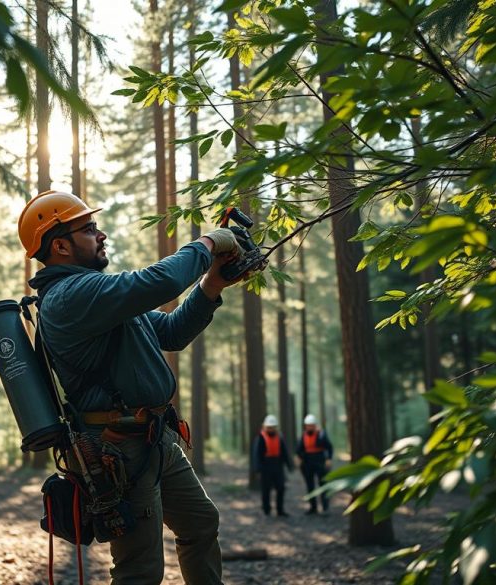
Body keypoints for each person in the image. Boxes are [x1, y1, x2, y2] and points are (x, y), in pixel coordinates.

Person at [19, 190, 248, 585]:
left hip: (153, 438)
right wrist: (209, 244)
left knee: (200, 523)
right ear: (60, 245)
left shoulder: (99, 294)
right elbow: (160, 281)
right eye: (88, 229)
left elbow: (173, 332)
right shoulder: (70, 297)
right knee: (139, 570)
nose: (101, 234)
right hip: (116, 450)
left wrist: (212, 285)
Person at [251, 414, 294, 517]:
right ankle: (267, 510)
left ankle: (280, 510)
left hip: (278, 466)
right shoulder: (260, 438)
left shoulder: (280, 437)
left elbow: (284, 452)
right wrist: (258, 470)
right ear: (265, 427)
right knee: (266, 490)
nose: (271, 429)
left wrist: (289, 465)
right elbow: (257, 455)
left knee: (281, 488)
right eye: (269, 427)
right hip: (265, 467)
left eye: (273, 427)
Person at [295, 414, 333, 515]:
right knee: (310, 485)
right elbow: (299, 450)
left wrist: (328, 459)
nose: (310, 427)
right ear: (305, 426)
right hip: (307, 463)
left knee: (323, 484)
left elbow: (329, 447)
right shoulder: (303, 436)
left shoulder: (321, 434)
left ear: (315, 425)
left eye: (312, 425)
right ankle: (313, 507)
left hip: (320, 461)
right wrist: (300, 458)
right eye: (308, 425)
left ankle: (325, 507)